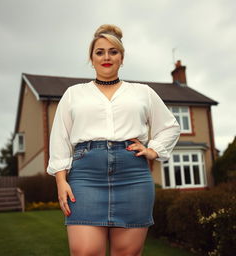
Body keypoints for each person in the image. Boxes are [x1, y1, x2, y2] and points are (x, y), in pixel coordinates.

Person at [47, 24, 180, 256]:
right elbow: (60, 137)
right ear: (91, 58)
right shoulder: (73, 94)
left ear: (122, 57)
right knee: (85, 251)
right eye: (100, 52)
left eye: (113, 51)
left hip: (133, 177)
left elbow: (170, 127)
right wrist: (61, 180)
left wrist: (153, 150)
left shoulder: (143, 92)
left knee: (127, 254)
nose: (106, 57)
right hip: (85, 177)